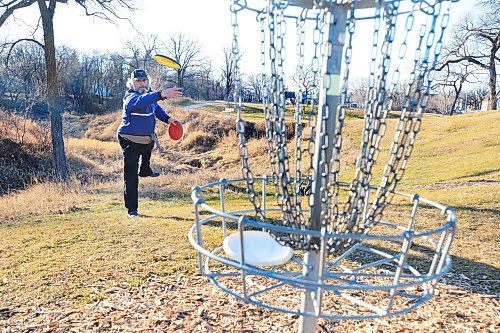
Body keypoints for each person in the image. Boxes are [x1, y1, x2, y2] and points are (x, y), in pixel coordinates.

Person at [117, 69, 183, 218]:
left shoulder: (149, 97)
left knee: (149, 145)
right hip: (129, 139)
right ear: (132, 83)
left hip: (146, 140)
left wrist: (168, 119)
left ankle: (145, 169)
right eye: (138, 81)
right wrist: (161, 94)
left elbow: (156, 108)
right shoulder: (130, 97)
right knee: (131, 174)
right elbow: (142, 102)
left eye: (144, 80)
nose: (142, 83)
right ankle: (132, 209)